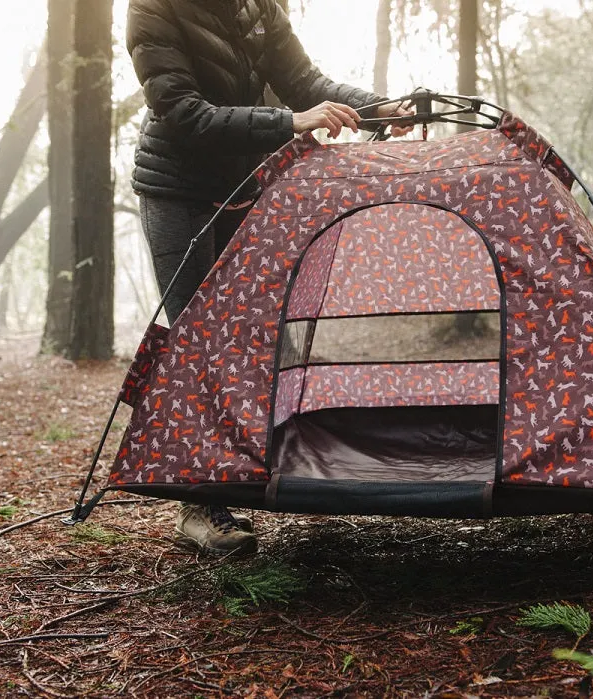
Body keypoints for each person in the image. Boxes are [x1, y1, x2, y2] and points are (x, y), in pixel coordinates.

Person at [126, 0, 413, 556]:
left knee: (254, 335)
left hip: (248, 185)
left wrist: (378, 108)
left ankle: (252, 469)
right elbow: (182, 111)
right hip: (177, 190)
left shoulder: (259, 5)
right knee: (196, 342)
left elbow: (303, 81)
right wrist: (291, 122)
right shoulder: (152, 8)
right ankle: (200, 504)